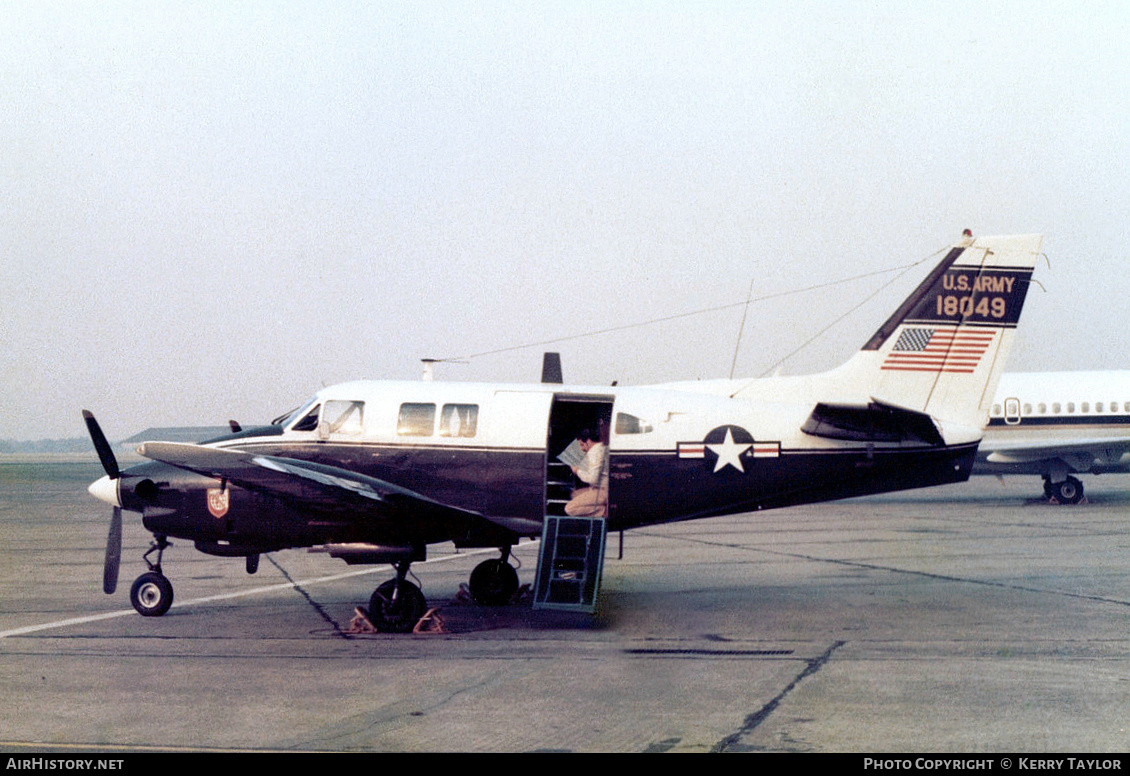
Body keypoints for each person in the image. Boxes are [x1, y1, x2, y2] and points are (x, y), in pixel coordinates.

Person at [565, 427, 608, 517]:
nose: (581, 448)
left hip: (602, 490)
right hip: (602, 488)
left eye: (581, 444)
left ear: (588, 441)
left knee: (569, 509)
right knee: (574, 494)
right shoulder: (602, 448)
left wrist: (577, 471)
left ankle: (603, 511)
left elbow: (592, 479)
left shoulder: (595, 452)